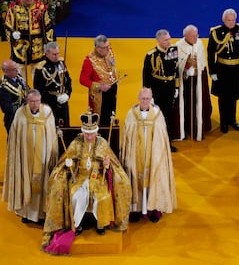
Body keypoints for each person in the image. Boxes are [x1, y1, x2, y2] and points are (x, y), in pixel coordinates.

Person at [41, 110, 131, 253]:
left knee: (101, 197)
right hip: (80, 179)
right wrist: (69, 164)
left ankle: (100, 224)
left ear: (96, 132)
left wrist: (107, 166)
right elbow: (65, 160)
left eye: (92, 133)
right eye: (87, 133)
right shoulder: (76, 143)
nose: (89, 136)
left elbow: (113, 164)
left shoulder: (102, 143)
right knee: (76, 196)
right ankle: (78, 223)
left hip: (98, 180)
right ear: (83, 132)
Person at [120, 88, 177, 223]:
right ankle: (136, 209)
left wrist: (158, 153)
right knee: (134, 176)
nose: (145, 101)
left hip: (153, 156)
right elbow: (127, 137)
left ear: (151, 99)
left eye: (147, 99)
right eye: (142, 98)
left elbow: (162, 137)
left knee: (153, 176)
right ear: (138, 98)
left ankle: (153, 209)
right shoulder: (131, 114)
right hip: (136, 156)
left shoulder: (157, 114)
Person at [2, 89, 58, 224]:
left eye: (37, 101)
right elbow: (15, 136)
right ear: (27, 101)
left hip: (43, 156)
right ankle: (26, 213)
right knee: (25, 180)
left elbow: (52, 134)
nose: (34, 104)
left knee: (42, 180)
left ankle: (42, 213)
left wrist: (51, 153)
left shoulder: (47, 113)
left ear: (40, 100)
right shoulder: (20, 114)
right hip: (25, 157)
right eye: (32, 101)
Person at [207, 8, 239, 133]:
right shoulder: (216, 32)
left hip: (236, 68)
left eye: (233, 20)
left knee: (234, 94)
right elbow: (210, 53)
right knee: (224, 96)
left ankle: (232, 120)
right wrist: (212, 71)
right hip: (222, 69)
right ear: (223, 20)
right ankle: (224, 122)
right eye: (228, 20)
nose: (231, 22)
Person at [4, 0, 55, 82]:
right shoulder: (13, 8)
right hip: (19, 47)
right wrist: (12, 34)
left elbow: (48, 26)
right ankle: (21, 93)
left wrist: (48, 44)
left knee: (39, 75)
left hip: (37, 46)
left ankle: (38, 95)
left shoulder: (40, 8)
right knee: (18, 74)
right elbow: (7, 25)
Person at [143, 29, 179, 152]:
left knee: (169, 116)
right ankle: (156, 143)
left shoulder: (174, 50)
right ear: (158, 41)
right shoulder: (151, 55)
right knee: (157, 117)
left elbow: (176, 70)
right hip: (158, 90)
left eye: (169, 39)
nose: (169, 42)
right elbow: (146, 76)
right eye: (165, 40)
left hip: (170, 88)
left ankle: (168, 142)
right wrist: (149, 94)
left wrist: (177, 88)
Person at [176, 24, 212, 141]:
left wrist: (197, 64)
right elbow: (178, 65)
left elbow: (202, 62)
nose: (196, 38)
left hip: (198, 79)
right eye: (193, 36)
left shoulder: (199, 43)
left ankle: (200, 127)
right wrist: (187, 63)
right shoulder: (178, 46)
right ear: (186, 36)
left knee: (200, 103)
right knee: (187, 105)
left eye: (197, 35)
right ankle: (186, 128)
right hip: (186, 82)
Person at [80, 34, 118, 127]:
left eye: (108, 46)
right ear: (98, 48)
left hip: (111, 90)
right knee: (100, 120)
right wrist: (99, 86)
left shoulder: (109, 51)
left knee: (111, 116)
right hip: (99, 95)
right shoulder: (89, 61)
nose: (108, 49)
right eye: (105, 47)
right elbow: (82, 79)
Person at [34, 42, 72, 127]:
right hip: (49, 104)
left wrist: (67, 94)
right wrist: (55, 98)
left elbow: (68, 81)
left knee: (65, 127)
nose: (57, 57)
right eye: (54, 54)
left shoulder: (61, 63)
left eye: (58, 53)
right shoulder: (41, 68)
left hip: (63, 102)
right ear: (47, 54)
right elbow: (38, 91)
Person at [0, 59, 30, 133]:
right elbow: (7, 108)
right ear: (6, 71)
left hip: (27, 116)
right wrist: (24, 104)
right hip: (14, 120)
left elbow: (27, 88)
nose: (17, 71)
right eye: (14, 69)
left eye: (17, 68)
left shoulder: (18, 76)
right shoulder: (3, 87)